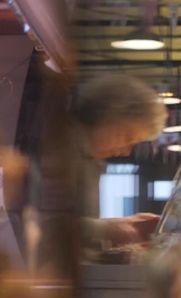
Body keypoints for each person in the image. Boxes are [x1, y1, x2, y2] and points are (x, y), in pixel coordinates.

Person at [70, 74, 168, 246]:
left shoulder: (91, 160)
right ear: (106, 116)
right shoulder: (61, 147)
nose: (125, 151)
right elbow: (44, 224)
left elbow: (75, 222)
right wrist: (109, 229)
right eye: (126, 136)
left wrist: (123, 224)